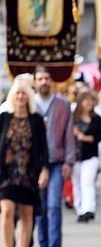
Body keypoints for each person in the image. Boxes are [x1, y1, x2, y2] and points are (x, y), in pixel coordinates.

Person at [0, 79, 48, 247]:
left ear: (29, 97)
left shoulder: (36, 120)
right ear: (13, 96)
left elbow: (43, 148)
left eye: (24, 93)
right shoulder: (4, 118)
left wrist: (44, 169)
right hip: (6, 174)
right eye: (18, 93)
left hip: (29, 173)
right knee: (6, 211)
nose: (21, 96)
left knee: (27, 213)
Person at [34, 66, 75, 247]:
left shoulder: (62, 104)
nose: (44, 82)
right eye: (40, 78)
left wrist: (69, 161)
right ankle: (43, 243)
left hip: (57, 161)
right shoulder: (29, 104)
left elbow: (69, 134)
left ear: (52, 81)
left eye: (47, 78)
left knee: (53, 206)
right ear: (35, 82)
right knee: (39, 208)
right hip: (34, 165)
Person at [71, 90, 101, 223]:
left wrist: (85, 137)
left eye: (91, 101)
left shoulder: (97, 119)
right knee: (77, 183)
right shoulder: (74, 118)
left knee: (87, 182)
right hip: (76, 155)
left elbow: (100, 136)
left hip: (90, 155)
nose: (89, 103)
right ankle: (79, 208)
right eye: (86, 101)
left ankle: (88, 209)